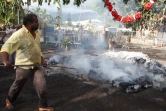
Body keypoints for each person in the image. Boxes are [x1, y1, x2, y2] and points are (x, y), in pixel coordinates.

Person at [0, 14, 53, 111]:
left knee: (42, 86)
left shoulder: (37, 33)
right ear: (29, 23)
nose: (38, 23)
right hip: (23, 67)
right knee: (17, 86)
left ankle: (43, 106)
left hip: (36, 66)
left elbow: (37, 49)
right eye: (36, 21)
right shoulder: (19, 34)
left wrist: (42, 60)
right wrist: (5, 60)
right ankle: (9, 100)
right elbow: (5, 48)